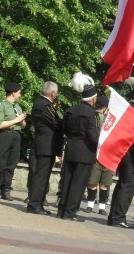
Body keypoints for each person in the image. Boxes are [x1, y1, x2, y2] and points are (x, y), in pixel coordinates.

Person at [107, 81, 134, 227]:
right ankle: (119, 217)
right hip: (132, 156)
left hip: (124, 153)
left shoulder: (128, 109)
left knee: (121, 185)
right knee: (128, 187)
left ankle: (114, 216)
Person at [57, 73, 99, 221]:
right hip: (85, 152)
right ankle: (70, 212)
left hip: (71, 148)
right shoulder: (91, 113)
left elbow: (64, 130)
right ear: (93, 99)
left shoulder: (70, 110)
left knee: (67, 180)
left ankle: (62, 210)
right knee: (78, 183)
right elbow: (93, 135)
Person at [26, 82, 63, 214]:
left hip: (45, 144)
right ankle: (34, 204)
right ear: (53, 93)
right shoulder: (44, 105)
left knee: (43, 175)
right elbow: (55, 123)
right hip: (45, 144)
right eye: (56, 93)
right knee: (41, 176)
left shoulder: (40, 103)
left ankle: (38, 204)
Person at [0, 82, 26, 200]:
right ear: (13, 93)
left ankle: (6, 189)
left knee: (11, 164)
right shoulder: (1, 106)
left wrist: (22, 120)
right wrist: (16, 120)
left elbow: (23, 125)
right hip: (3, 136)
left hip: (15, 136)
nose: (20, 95)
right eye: (19, 92)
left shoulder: (17, 107)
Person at [84, 94, 111, 215]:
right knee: (103, 182)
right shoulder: (100, 118)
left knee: (93, 181)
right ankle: (101, 207)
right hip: (107, 153)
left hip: (96, 153)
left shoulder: (92, 115)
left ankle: (92, 205)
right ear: (105, 107)